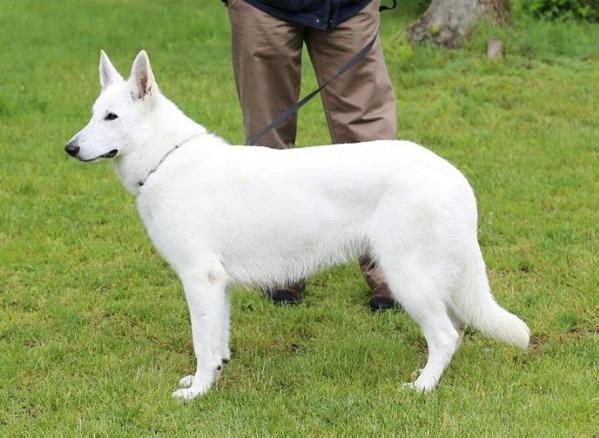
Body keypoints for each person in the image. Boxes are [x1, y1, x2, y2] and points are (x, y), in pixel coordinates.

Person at [224, 0, 399, 311]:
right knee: (268, 147)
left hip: (349, 7)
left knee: (372, 146)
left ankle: (390, 269)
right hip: (262, 8)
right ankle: (282, 266)